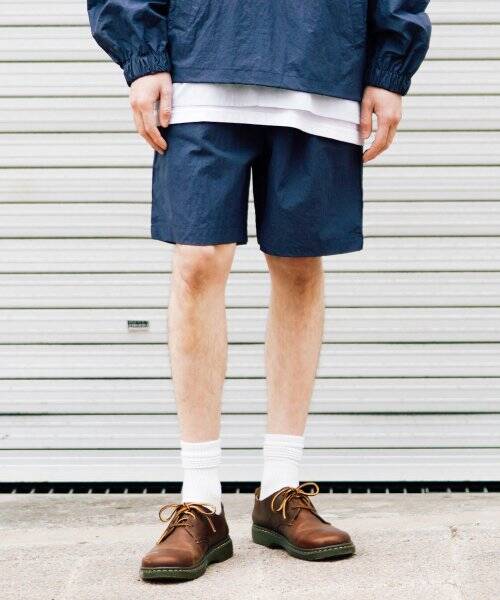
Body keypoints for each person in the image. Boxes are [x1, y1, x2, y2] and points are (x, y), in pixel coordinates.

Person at [88, 0, 431, 581]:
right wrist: (141, 56)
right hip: (199, 58)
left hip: (321, 56)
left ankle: (280, 488)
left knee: (298, 264)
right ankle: (200, 498)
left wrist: (389, 67)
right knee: (198, 261)